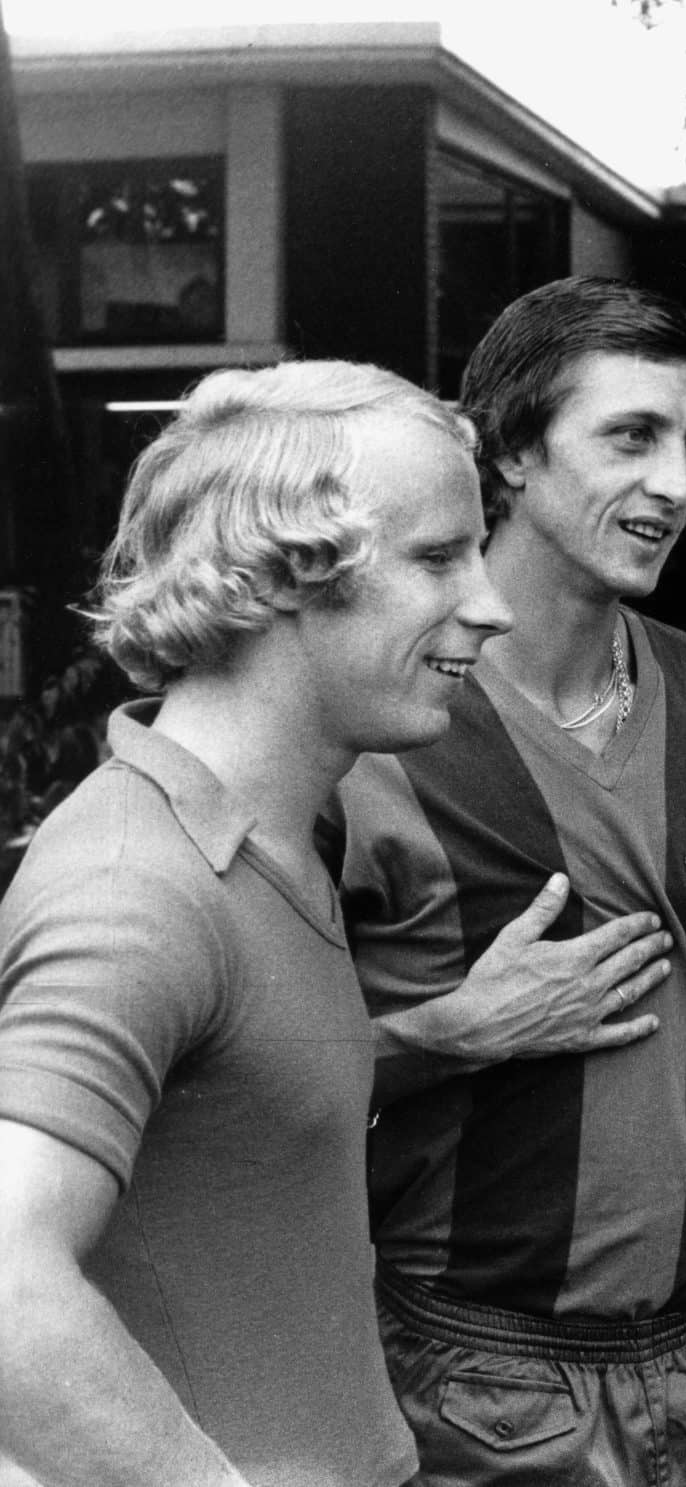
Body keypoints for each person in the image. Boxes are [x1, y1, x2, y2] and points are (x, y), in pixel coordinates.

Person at [329, 276, 686, 1486]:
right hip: (480, 1381)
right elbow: (247, 1087)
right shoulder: (374, 725)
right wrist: (448, 1034)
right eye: (630, 436)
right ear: (509, 454)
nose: (673, 483)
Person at [0, 361, 512, 1486]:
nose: (493, 603)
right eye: (439, 556)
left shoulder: (269, 836)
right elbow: (7, 1288)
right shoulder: (137, 887)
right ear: (284, 571)